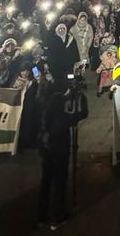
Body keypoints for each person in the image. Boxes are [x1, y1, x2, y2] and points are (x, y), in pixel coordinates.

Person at [38, 86, 88, 229]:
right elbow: (83, 113)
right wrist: (83, 97)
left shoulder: (47, 116)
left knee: (45, 184)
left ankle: (42, 215)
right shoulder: (64, 118)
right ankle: (58, 214)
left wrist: (68, 95)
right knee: (60, 184)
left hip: (47, 156)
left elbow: (58, 99)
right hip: (60, 156)